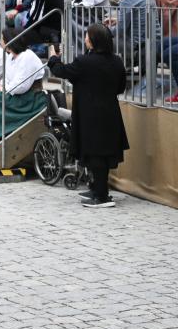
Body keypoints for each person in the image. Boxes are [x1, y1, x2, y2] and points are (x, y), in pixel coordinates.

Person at [47, 24, 129, 209]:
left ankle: (101, 197)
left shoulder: (84, 62)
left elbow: (61, 71)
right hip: (109, 111)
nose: (85, 39)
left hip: (91, 114)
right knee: (103, 154)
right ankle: (98, 189)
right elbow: (121, 87)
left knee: (95, 155)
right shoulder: (116, 61)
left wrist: (53, 58)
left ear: (93, 41)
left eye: (87, 37)